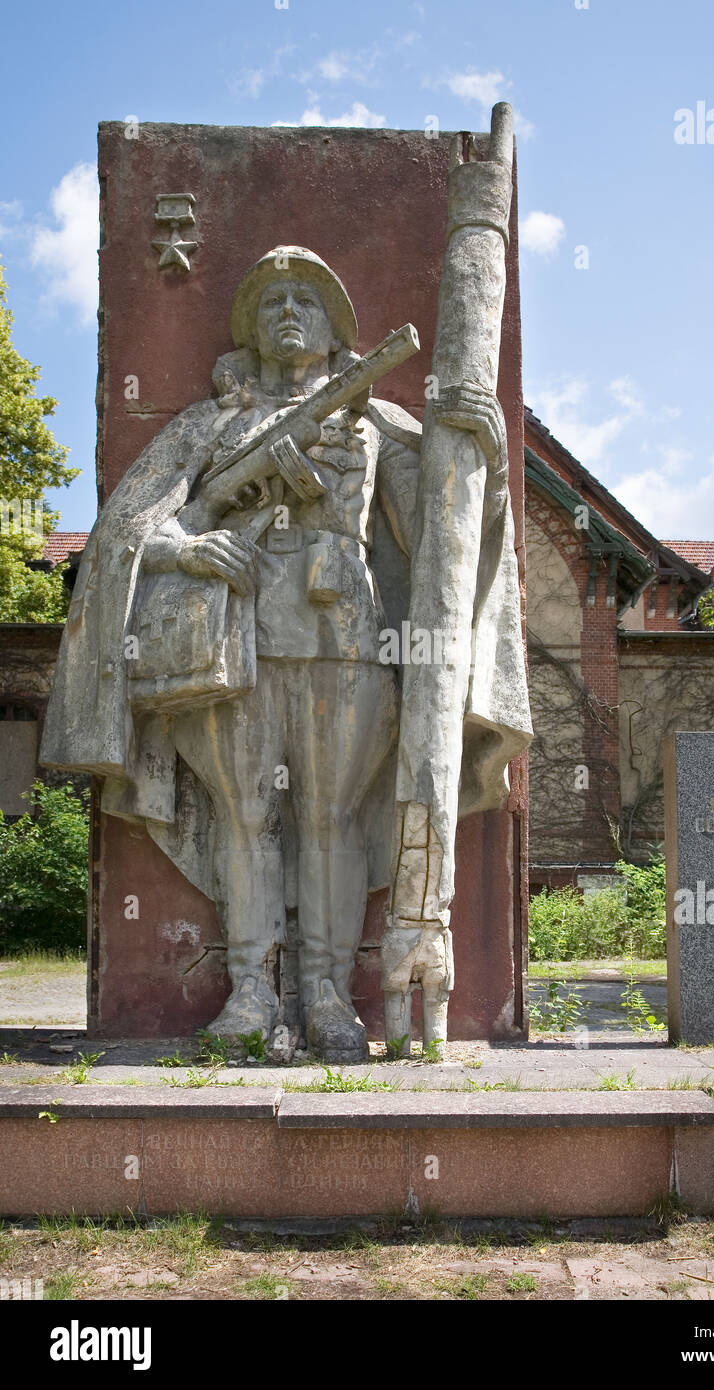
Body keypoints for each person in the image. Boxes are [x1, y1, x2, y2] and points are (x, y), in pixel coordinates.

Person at [42, 246, 526, 1060]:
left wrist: (491, 456)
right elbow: (128, 530)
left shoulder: (375, 426)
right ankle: (253, 990)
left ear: (338, 331)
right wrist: (192, 549)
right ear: (250, 330)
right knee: (246, 815)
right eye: (270, 302)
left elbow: (447, 528)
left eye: (307, 299)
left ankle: (330, 994)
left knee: (332, 819)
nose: (288, 312)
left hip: (349, 642)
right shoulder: (211, 423)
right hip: (236, 643)